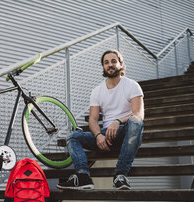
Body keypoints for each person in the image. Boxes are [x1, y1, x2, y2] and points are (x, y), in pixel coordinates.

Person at [57, 49, 144, 190]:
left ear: (121, 64)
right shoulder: (97, 91)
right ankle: (83, 176)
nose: (110, 65)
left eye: (114, 61)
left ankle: (120, 175)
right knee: (72, 136)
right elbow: (93, 119)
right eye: (106, 62)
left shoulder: (132, 85)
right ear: (103, 66)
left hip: (126, 134)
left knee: (136, 122)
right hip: (105, 135)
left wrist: (118, 121)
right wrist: (98, 136)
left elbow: (138, 114)